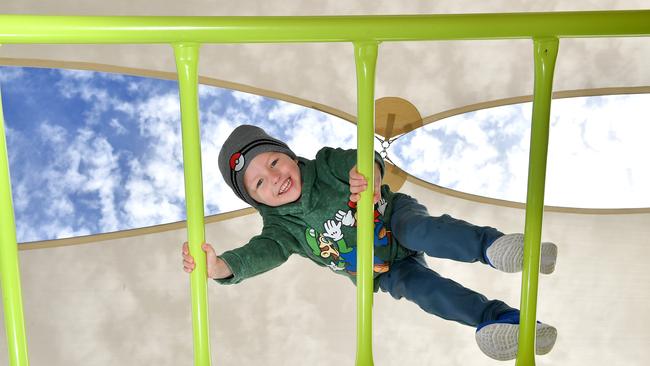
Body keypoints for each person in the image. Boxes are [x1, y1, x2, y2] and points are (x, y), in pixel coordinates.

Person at [181, 124, 558, 361]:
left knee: (420, 231)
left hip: (392, 217)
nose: (274, 178)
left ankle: (496, 248)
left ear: (290, 156)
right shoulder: (282, 230)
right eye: (259, 183)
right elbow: (259, 254)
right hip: (382, 270)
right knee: (427, 293)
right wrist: (222, 267)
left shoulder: (324, 166)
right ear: (256, 201)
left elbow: (359, 159)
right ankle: (507, 322)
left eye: (274, 163)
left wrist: (368, 176)